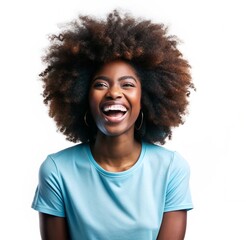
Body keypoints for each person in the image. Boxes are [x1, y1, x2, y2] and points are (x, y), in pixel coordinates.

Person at [32, 9, 194, 240]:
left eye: (127, 84)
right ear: (82, 96)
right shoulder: (57, 171)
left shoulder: (170, 169)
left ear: (146, 96)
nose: (114, 93)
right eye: (100, 84)